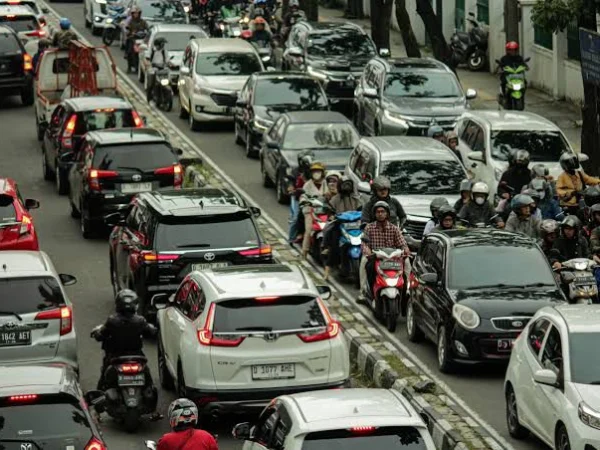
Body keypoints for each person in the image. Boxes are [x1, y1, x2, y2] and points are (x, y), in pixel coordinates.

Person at [92, 290, 157, 393]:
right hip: (137, 355)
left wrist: (96, 333)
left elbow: (100, 336)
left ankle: (98, 394)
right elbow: (151, 332)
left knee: (103, 380)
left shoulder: (112, 321)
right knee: (148, 379)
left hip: (115, 356)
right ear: (135, 305)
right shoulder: (140, 321)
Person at [359, 201, 411, 302]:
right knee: (364, 261)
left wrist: (405, 249)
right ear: (374, 214)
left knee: (407, 262)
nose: (380, 214)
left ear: (387, 213)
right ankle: (364, 291)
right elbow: (364, 243)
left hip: (393, 257)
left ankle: (407, 289)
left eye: (383, 211)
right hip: (376, 256)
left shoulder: (394, 228)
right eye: (378, 212)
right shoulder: (369, 228)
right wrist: (368, 251)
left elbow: (402, 243)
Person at [323, 176, 362, 279]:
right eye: (344, 184)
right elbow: (329, 210)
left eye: (349, 184)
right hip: (340, 226)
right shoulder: (335, 199)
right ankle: (327, 271)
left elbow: (362, 209)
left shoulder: (356, 199)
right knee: (334, 246)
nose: (347, 187)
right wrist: (332, 215)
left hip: (355, 227)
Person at [299, 162, 327, 258]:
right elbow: (303, 196)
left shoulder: (325, 183)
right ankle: (304, 252)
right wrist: (304, 201)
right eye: (314, 171)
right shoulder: (307, 185)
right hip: (310, 211)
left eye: (318, 171)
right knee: (308, 231)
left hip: (324, 211)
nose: (316, 173)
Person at [288, 150, 313, 244]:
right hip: (298, 197)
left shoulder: (316, 172)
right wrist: (292, 189)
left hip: (312, 197)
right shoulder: (295, 171)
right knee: (295, 218)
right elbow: (291, 184)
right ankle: (291, 238)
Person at [146, 37, 168, 103]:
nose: (163, 46)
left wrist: (170, 64)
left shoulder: (164, 51)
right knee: (151, 84)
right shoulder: (152, 51)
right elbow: (147, 59)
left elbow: (167, 60)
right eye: (162, 44)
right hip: (153, 69)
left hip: (162, 70)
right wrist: (149, 64)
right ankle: (149, 98)